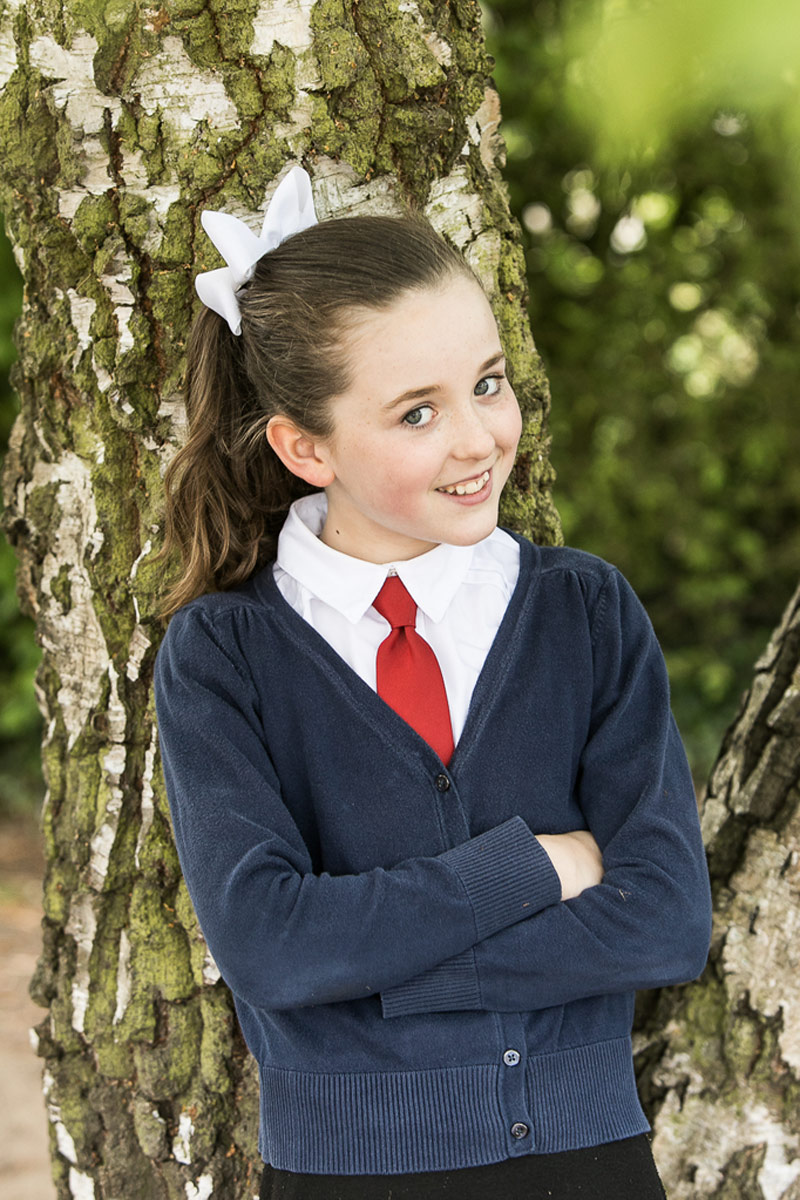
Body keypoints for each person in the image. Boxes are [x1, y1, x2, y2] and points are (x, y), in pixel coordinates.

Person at [153, 165, 712, 1200]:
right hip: (346, 1177)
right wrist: (537, 869)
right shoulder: (224, 657)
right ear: (303, 446)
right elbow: (271, 949)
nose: (477, 440)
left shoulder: (581, 612)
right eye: (416, 413)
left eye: (486, 384)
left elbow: (664, 919)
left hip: (588, 1164)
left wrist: (374, 975)